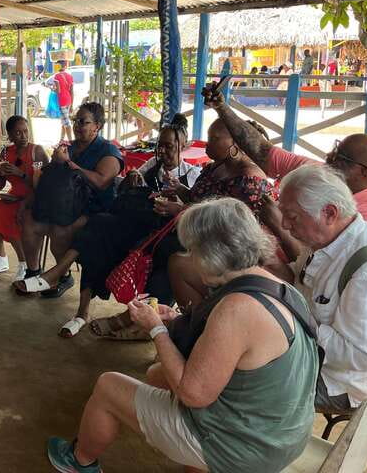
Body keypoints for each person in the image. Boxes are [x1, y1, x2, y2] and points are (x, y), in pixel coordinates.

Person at [47, 198, 319, 473]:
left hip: (242, 451)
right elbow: (238, 347)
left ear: (213, 254)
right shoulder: (279, 288)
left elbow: (193, 395)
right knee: (157, 375)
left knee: (108, 386)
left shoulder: (237, 308)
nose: (190, 259)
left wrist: (156, 329)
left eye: (193, 251)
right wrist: (175, 320)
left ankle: (79, 461)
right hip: (282, 436)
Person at [21, 118, 273, 338]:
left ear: (236, 143)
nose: (206, 143)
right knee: (101, 225)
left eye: (213, 138)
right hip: (179, 228)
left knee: (160, 251)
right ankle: (71, 288)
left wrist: (181, 210)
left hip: (213, 247)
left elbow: (232, 229)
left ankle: (138, 319)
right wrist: (179, 194)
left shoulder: (250, 178)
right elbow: (198, 200)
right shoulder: (215, 167)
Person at [203, 83, 367, 238]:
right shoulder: (317, 172)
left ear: (366, 173)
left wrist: (277, 224)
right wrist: (221, 107)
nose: (329, 156)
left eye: (339, 157)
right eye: (334, 149)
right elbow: (262, 150)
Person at [274, 165, 367, 412]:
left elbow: (360, 357)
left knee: (246, 379)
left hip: (341, 383)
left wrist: (296, 321)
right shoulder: (325, 238)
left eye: (292, 217)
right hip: (313, 357)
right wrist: (261, 262)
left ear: (329, 213)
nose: (284, 225)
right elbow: (300, 279)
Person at [19, 102, 124, 300]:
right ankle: (33, 272)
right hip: (63, 206)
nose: (76, 125)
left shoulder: (109, 152)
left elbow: (101, 182)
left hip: (93, 210)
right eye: (76, 121)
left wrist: (68, 163)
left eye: (82, 122)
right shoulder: (70, 147)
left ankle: (62, 277)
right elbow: (51, 179)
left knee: (60, 229)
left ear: (97, 126)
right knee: (29, 221)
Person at [0, 116, 49, 279]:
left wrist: (20, 174)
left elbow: (44, 186)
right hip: (14, 196)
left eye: (25, 131)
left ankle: (24, 264)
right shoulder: (6, 152)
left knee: (12, 217)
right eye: (18, 133)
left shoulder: (36, 151)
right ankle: (0, 257)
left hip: (36, 198)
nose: (24, 136)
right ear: (10, 136)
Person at [126, 113, 201, 192]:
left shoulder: (191, 174)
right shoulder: (154, 163)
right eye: (159, 145)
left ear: (182, 147)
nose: (161, 150)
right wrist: (134, 175)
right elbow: (139, 175)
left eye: (169, 146)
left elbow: (194, 201)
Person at [52, 59, 74, 143]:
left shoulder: (56, 76)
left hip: (61, 101)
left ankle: (71, 142)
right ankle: (61, 141)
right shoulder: (69, 76)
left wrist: (52, 88)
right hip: (68, 100)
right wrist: (72, 104)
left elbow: (58, 91)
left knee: (66, 123)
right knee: (64, 122)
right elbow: (72, 91)